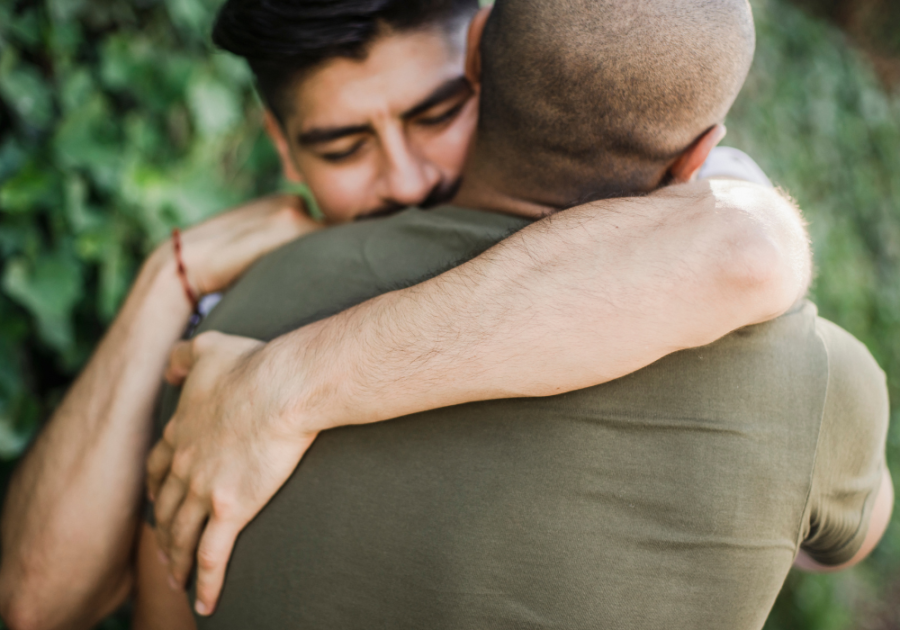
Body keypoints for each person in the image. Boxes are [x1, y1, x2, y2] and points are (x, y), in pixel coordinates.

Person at [0, 0, 856, 629]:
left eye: (436, 112)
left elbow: (746, 252)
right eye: (342, 146)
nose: (406, 180)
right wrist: (166, 281)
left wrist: (283, 385)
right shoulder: (224, 305)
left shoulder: (661, 226)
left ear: (484, 57)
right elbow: (33, 604)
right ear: (277, 139)